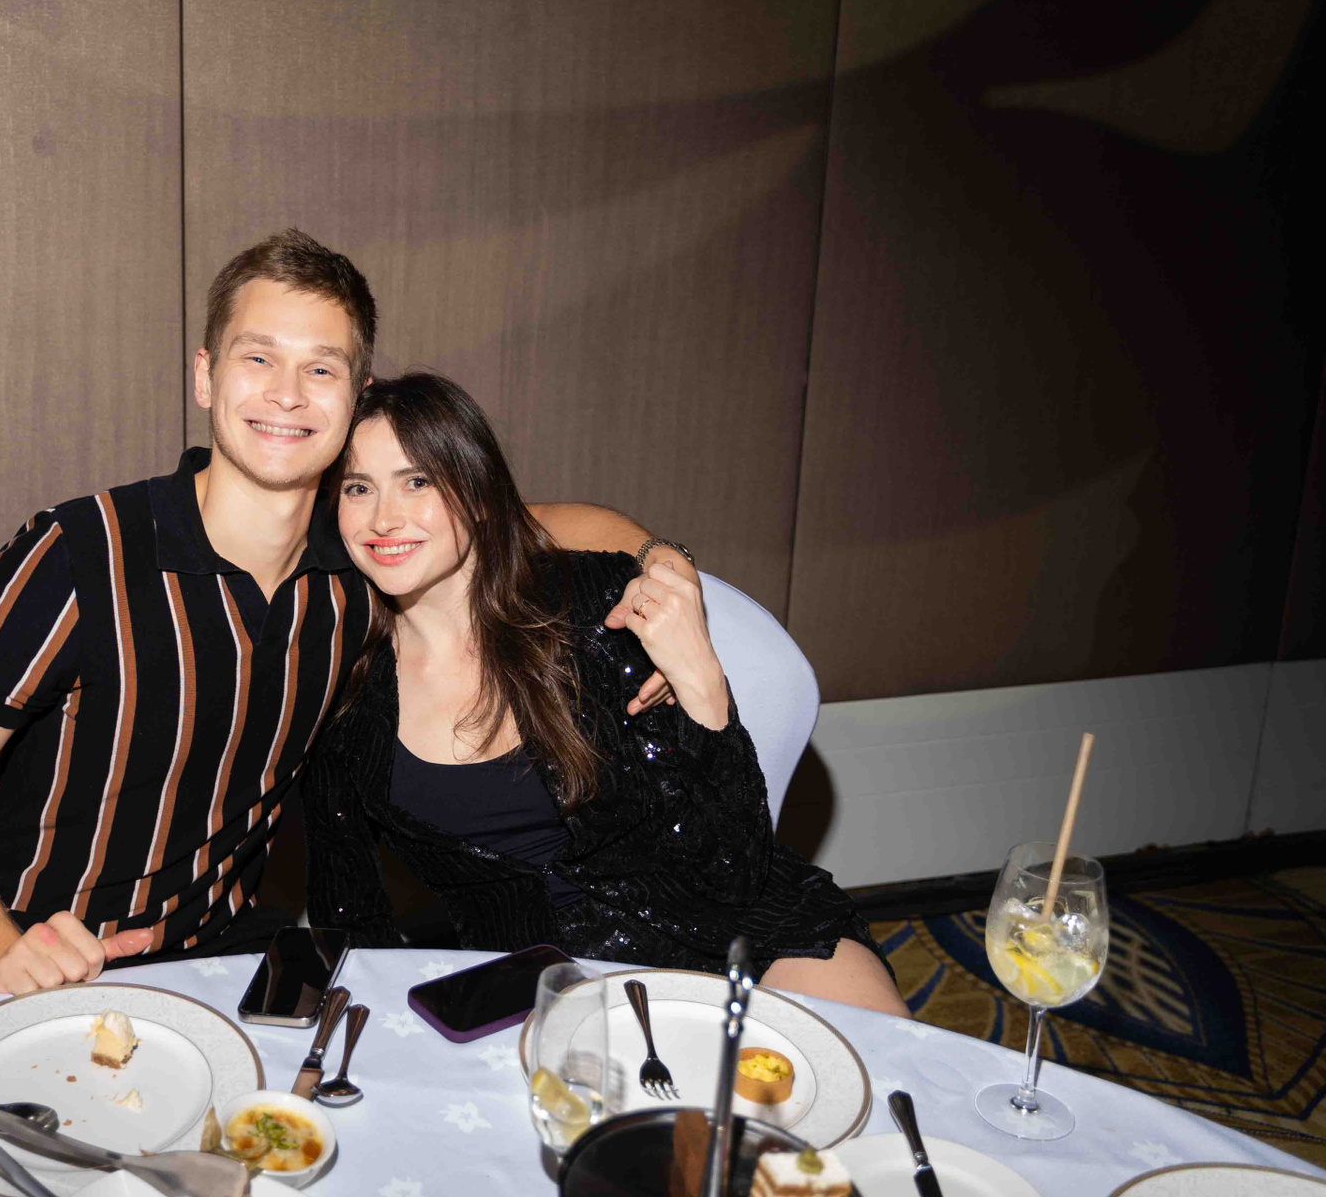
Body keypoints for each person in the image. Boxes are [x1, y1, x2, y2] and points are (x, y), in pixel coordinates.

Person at [0, 230, 695, 996]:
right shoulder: (84, 553)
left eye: (321, 369)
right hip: (31, 961)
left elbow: (537, 523)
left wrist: (666, 569)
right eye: (258, 358)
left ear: (357, 397)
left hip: (218, 963)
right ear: (205, 375)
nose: (287, 394)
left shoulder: (367, 557)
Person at [302, 373, 909, 1015]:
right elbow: (349, 910)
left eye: (418, 481)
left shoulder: (593, 608)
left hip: (747, 930)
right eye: (359, 488)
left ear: (477, 493)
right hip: (545, 986)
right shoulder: (343, 690)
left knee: (877, 1066)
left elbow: (731, 872)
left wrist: (702, 680)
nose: (385, 518)